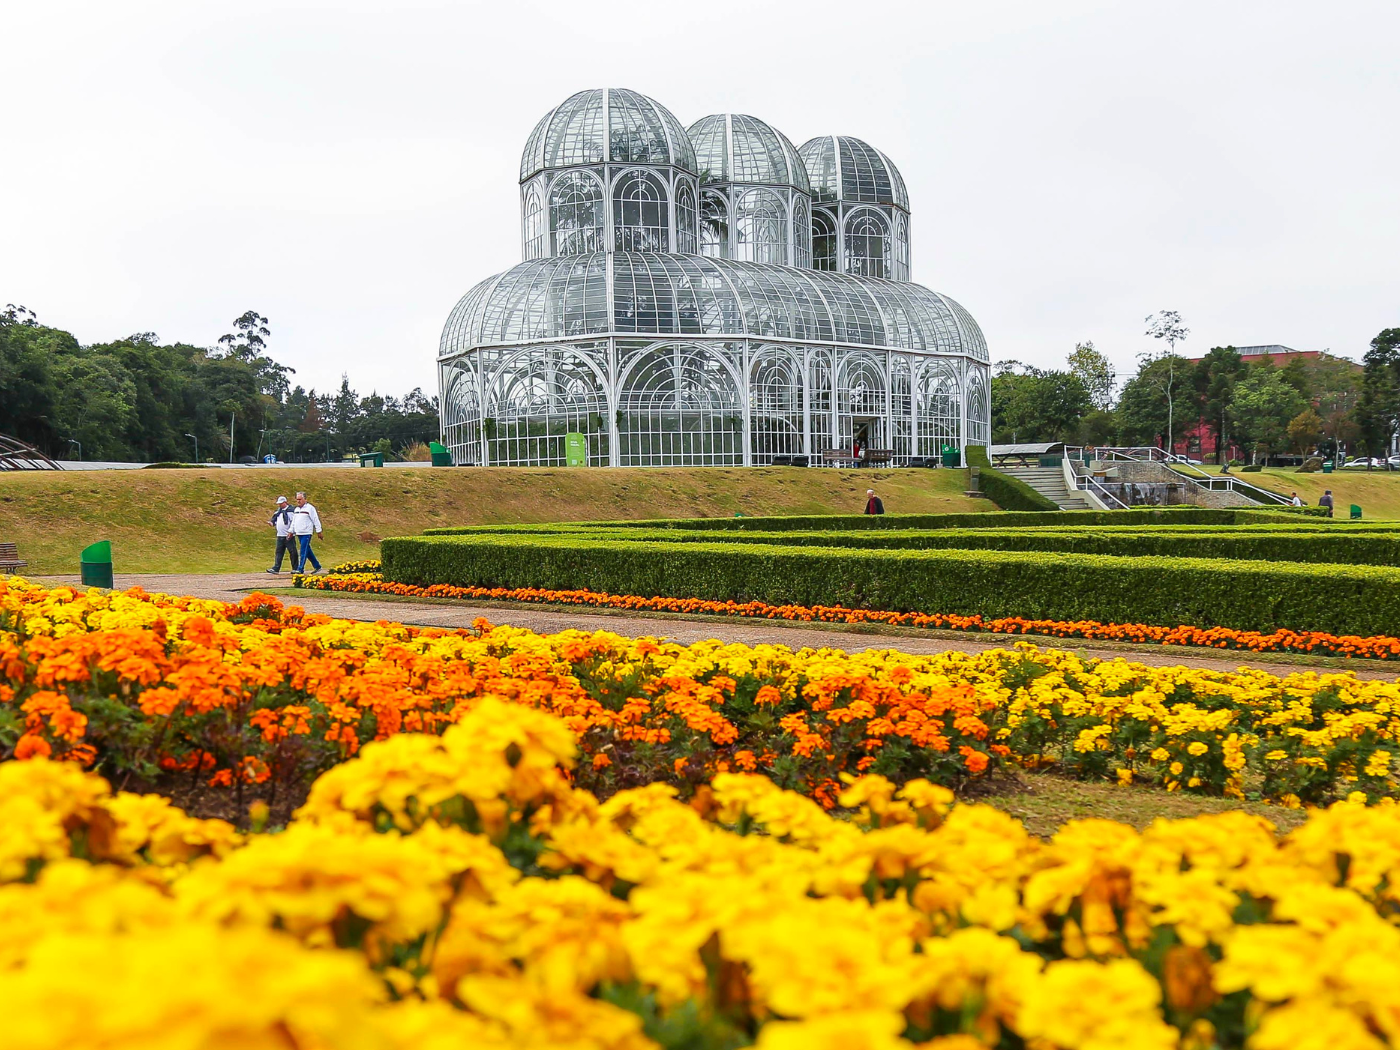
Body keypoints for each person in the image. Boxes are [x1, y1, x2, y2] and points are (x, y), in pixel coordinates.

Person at [290, 491, 324, 572]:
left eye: (300, 499)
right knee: (307, 550)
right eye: (297, 499)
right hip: (299, 533)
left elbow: (315, 519)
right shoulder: (296, 509)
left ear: (305, 499)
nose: (298, 501)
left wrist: (319, 531)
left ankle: (300, 568)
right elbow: (294, 521)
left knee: (303, 551)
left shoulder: (310, 508)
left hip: (306, 533)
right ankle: (317, 566)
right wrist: (291, 531)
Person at [266, 496, 300, 574]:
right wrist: (271, 523)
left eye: (281, 503)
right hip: (280, 535)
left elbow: (293, 522)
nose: (280, 505)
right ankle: (276, 568)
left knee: (293, 552)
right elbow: (275, 520)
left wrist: (291, 532)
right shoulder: (278, 512)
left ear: (285, 502)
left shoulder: (291, 511)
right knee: (279, 552)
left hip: (289, 535)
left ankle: (295, 568)